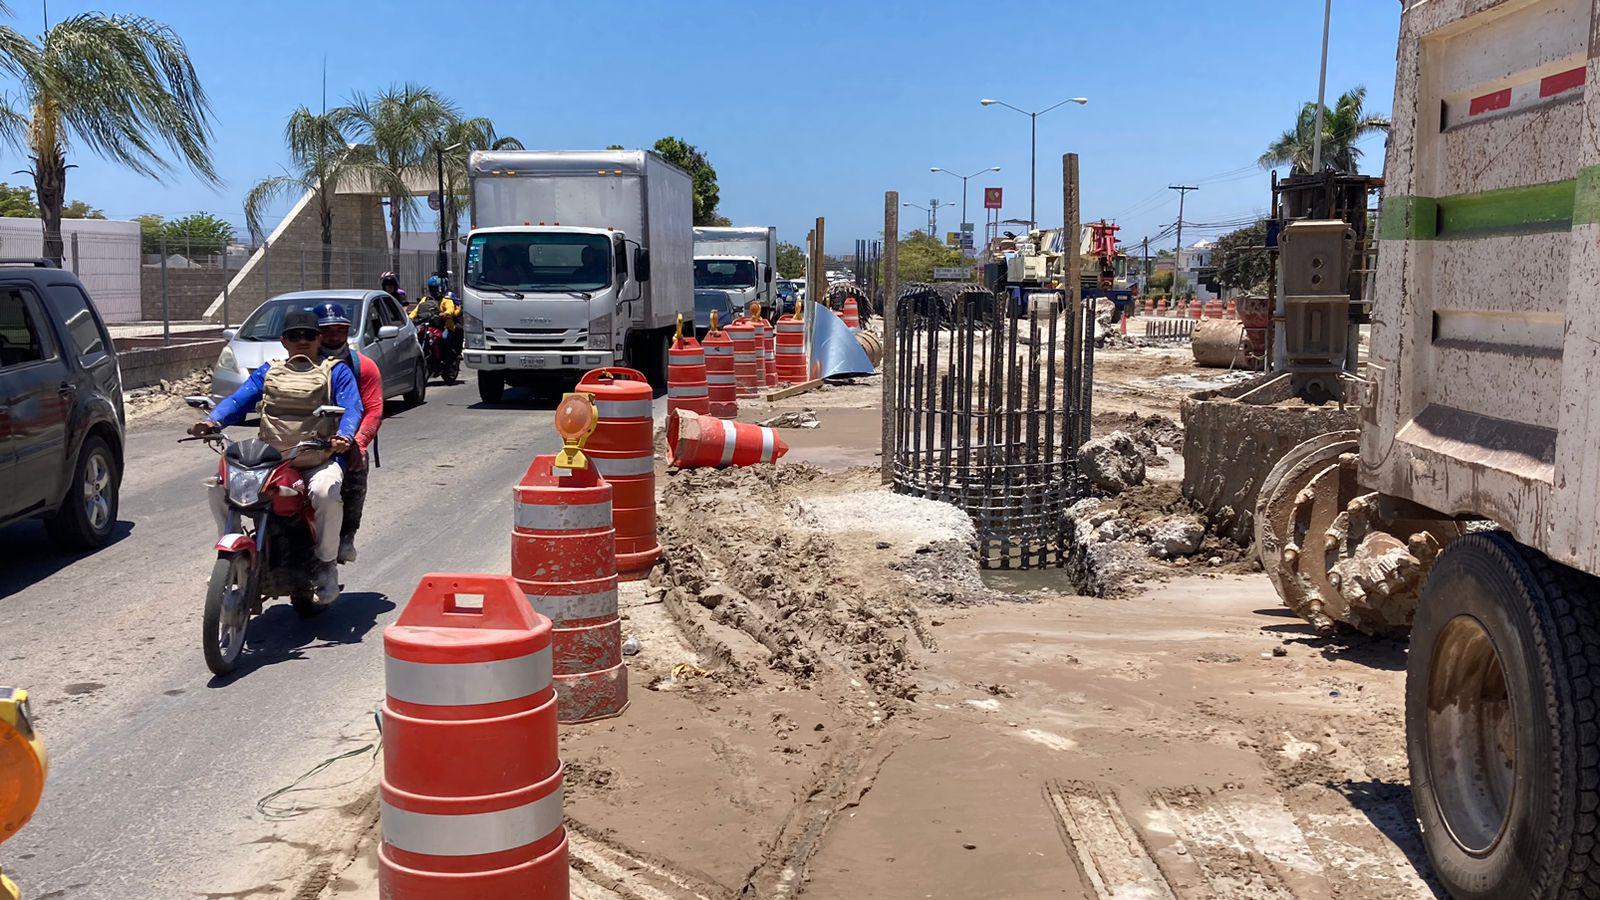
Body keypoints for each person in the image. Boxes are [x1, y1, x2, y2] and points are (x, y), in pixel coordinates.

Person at [191, 310, 363, 602]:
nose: (302, 341)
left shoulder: (336, 371)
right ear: (284, 341)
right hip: (271, 460)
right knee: (219, 486)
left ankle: (325, 566)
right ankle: (229, 550)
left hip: (316, 458)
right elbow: (239, 399)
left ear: (319, 339)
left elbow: (353, 407)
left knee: (326, 492)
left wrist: (344, 436)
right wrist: (213, 421)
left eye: (309, 335)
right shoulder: (269, 371)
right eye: (295, 336)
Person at [315, 302, 383, 564]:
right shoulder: (299, 364)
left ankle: (346, 536)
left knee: (356, 469)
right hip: (304, 439)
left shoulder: (363, 367)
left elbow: (374, 409)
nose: (334, 336)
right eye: (327, 330)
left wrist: (359, 443)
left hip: (346, 440)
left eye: (339, 330)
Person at [410, 275, 462, 369]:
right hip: (428, 325)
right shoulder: (425, 299)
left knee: (445, 338)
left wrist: (445, 313)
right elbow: (416, 310)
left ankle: (447, 360)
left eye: (436, 288)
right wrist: (409, 318)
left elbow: (450, 309)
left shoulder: (446, 299)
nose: (434, 291)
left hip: (443, 326)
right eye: (432, 288)